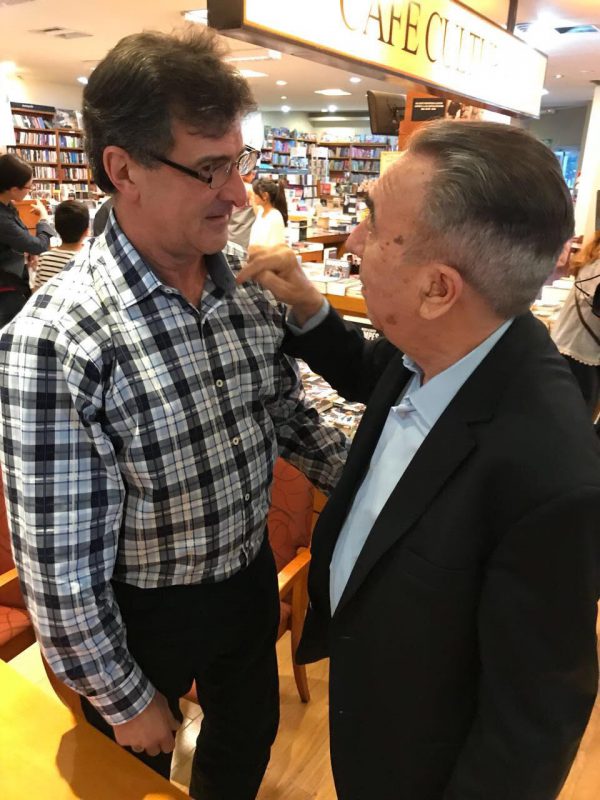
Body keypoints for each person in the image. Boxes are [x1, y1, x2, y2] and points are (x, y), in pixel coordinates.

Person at [0, 28, 348, 800]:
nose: (238, 194)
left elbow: (290, 415)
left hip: (245, 577)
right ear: (124, 169)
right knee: (132, 778)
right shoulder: (58, 338)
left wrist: (393, 483)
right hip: (138, 612)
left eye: (239, 163)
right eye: (210, 169)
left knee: (245, 742)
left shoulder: (247, 290)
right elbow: (59, 564)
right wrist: (122, 696)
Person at [238, 120, 600, 800]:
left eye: (373, 225)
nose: (352, 241)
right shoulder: (450, 343)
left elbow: (534, 718)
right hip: (369, 703)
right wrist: (311, 307)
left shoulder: (549, 474)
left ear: (438, 289)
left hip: (424, 763)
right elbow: (372, 371)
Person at [0, 153, 56, 326]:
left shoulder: (7, 205)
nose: (30, 190)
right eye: (28, 187)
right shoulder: (2, 217)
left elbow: (19, 235)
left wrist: (27, 249)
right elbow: (40, 246)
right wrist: (44, 219)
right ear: (14, 189)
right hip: (5, 286)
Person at [552, 230, 600, 416]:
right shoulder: (597, 268)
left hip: (577, 347)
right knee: (575, 414)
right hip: (576, 351)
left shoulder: (594, 262)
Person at [33, 199, 90, 290]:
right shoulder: (88, 261)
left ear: (55, 227)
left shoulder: (44, 258)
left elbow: (36, 292)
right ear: (87, 231)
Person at [249, 177, 287, 248]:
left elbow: (276, 246)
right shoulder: (261, 212)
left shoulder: (275, 216)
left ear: (265, 195)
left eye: (255, 194)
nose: (253, 196)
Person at [228, 170, 256, 251]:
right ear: (250, 175)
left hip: (228, 236)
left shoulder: (229, 188)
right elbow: (260, 215)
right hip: (244, 238)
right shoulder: (252, 190)